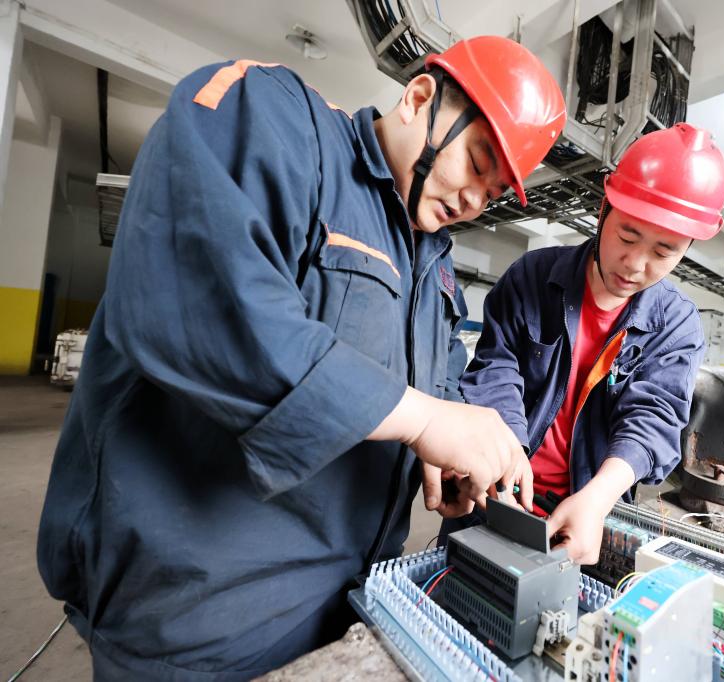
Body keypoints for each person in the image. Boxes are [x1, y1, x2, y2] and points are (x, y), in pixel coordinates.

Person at [36, 37, 565, 680]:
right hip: (204, 617)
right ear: (419, 98)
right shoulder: (267, 116)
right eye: (478, 162)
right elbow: (206, 309)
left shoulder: (433, 262)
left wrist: (450, 447)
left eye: (496, 191)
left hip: (355, 603)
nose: (477, 200)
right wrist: (422, 419)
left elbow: (439, 377)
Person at [450, 123, 724, 564]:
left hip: (587, 511)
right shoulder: (532, 277)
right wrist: (506, 452)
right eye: (627, 236)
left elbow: (654, 418)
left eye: (663, 252)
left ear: (687, 247)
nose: (635, 264)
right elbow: (495, 367)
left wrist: (597, 500)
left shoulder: (676, 325)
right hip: (496, 489)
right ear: (603, 210)